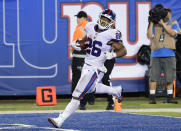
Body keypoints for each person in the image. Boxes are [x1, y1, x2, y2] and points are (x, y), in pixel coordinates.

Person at [48, 9, 127, 128]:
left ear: (111, 22)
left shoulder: (111, 34)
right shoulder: (90, 27)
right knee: (90, 89)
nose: (104, 22)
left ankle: (60, 119)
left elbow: (123, 50)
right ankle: (115, 91)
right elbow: (85, 42)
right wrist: (78, 44)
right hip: (87, 65)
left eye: (107, 20)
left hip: (96, 69)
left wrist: (113, 55)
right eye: (103, 18)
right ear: (99, 17)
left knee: (77, 94)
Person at [147, 7, 179, 104]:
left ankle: (170, 97)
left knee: (170, 77)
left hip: (169, 54)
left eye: (167, 13)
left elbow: (173, 33)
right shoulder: (154, 24)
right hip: (155, 54)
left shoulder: (173, 23)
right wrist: (151, 23)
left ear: (170, 14)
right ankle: (152, 97)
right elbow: (149, 36)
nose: (166, 15)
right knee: (153, 77)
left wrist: (164, 25)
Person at [71, 11, 95, 110]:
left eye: (78, 17)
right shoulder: (92, 26)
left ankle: (80, 101)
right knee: (89, 78)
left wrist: (74, 45)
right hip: (89, 57)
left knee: (78, 80)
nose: (77, 19)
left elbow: (79, 43)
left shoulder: (81, 27)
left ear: (83, 18)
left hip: (80, 56)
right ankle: (91, 98)